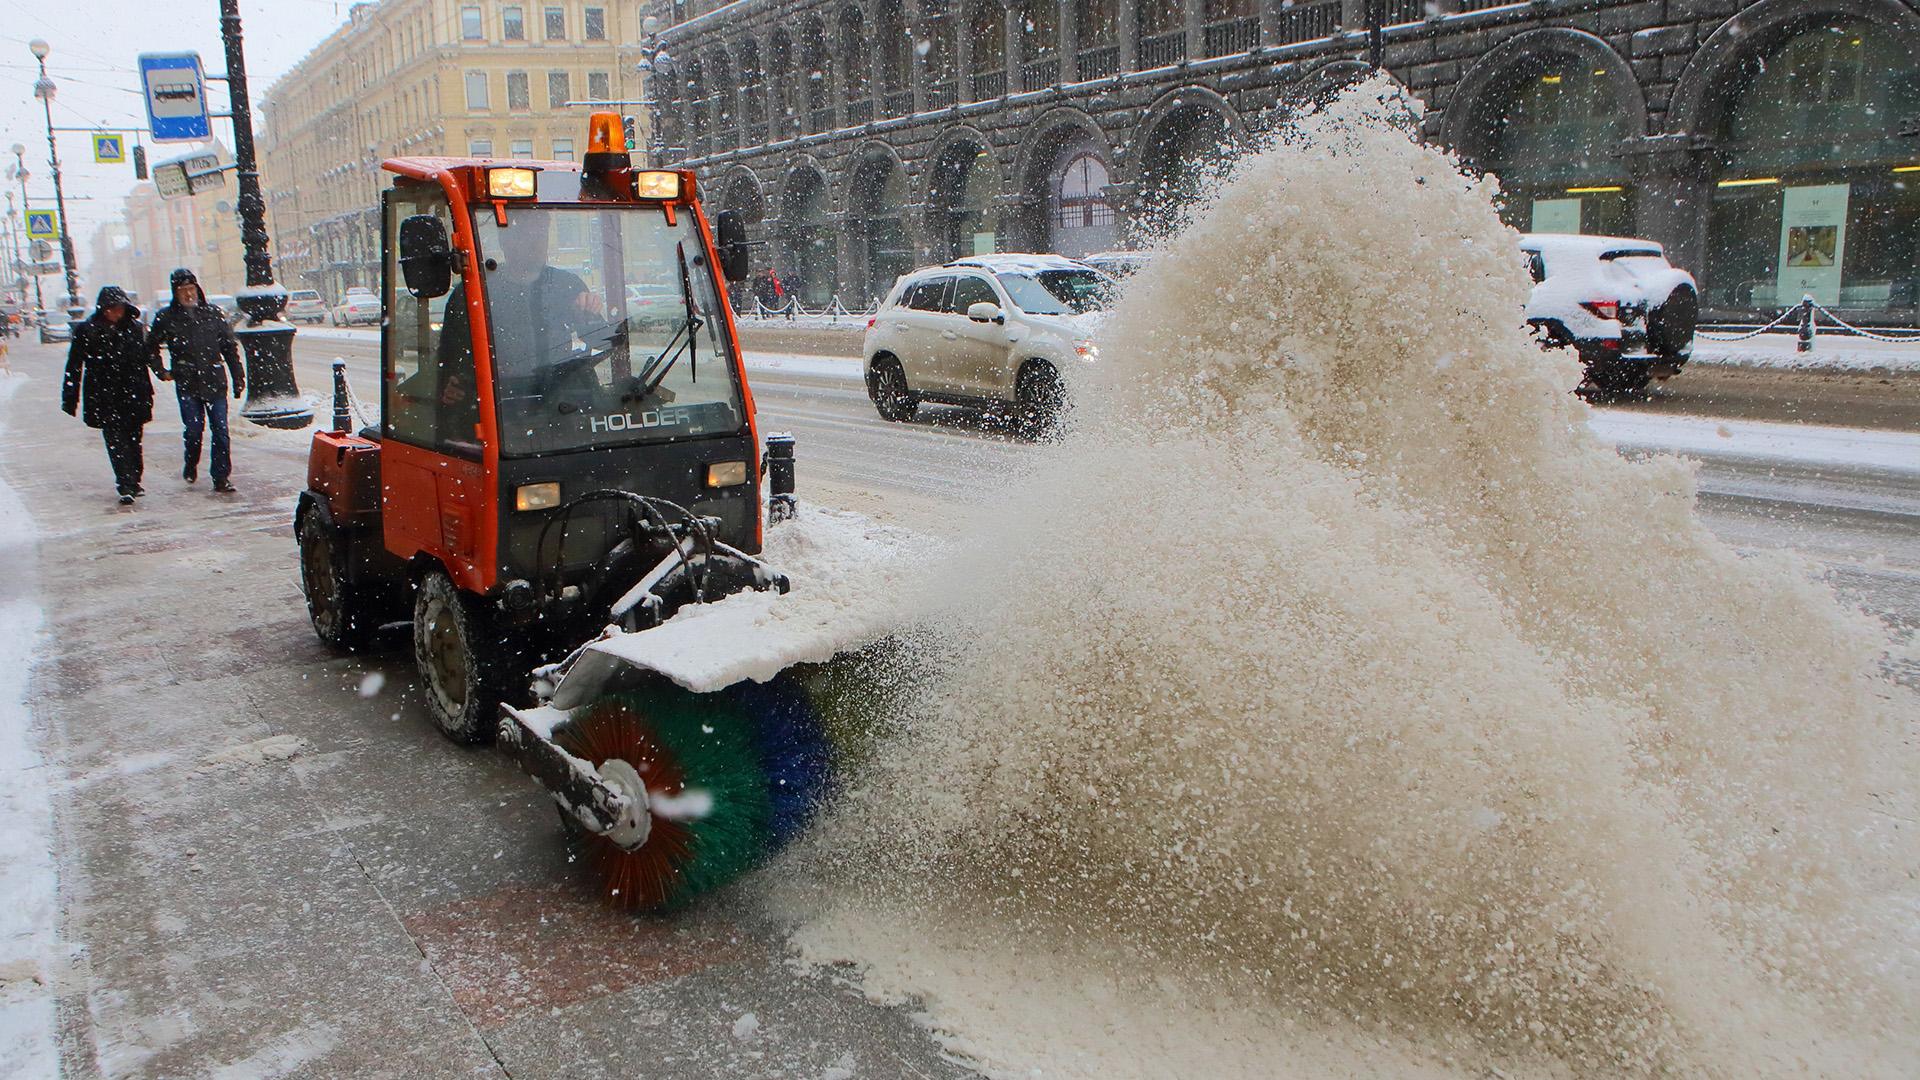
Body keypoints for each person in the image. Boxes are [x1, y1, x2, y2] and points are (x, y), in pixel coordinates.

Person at [146, 268, 243, 493]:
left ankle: (221, 477)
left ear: (198, 289)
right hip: (187, 382)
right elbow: (150, 347)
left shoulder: (213, 314)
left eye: (191, 289)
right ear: (175, 293)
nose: (188, 294)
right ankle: (191, 462)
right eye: (183, 290)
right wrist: (162, 371)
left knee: (220, 430)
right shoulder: (167, 317)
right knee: (193, 429)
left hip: (214, 380)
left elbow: (229, 347)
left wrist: (238, 376)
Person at [61, 286, 155, 505]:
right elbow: (74, 365)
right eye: (111, 308)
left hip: (133, 392)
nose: (115, 312)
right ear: (103, 308)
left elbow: (145, 359)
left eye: (119, 308)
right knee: (115, 440)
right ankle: (125, 483)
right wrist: (70, 397)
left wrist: (154, 383)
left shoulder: (135, 328)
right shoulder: (88, 330)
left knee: (134, 440)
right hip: (105, 396)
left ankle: (134, 478)